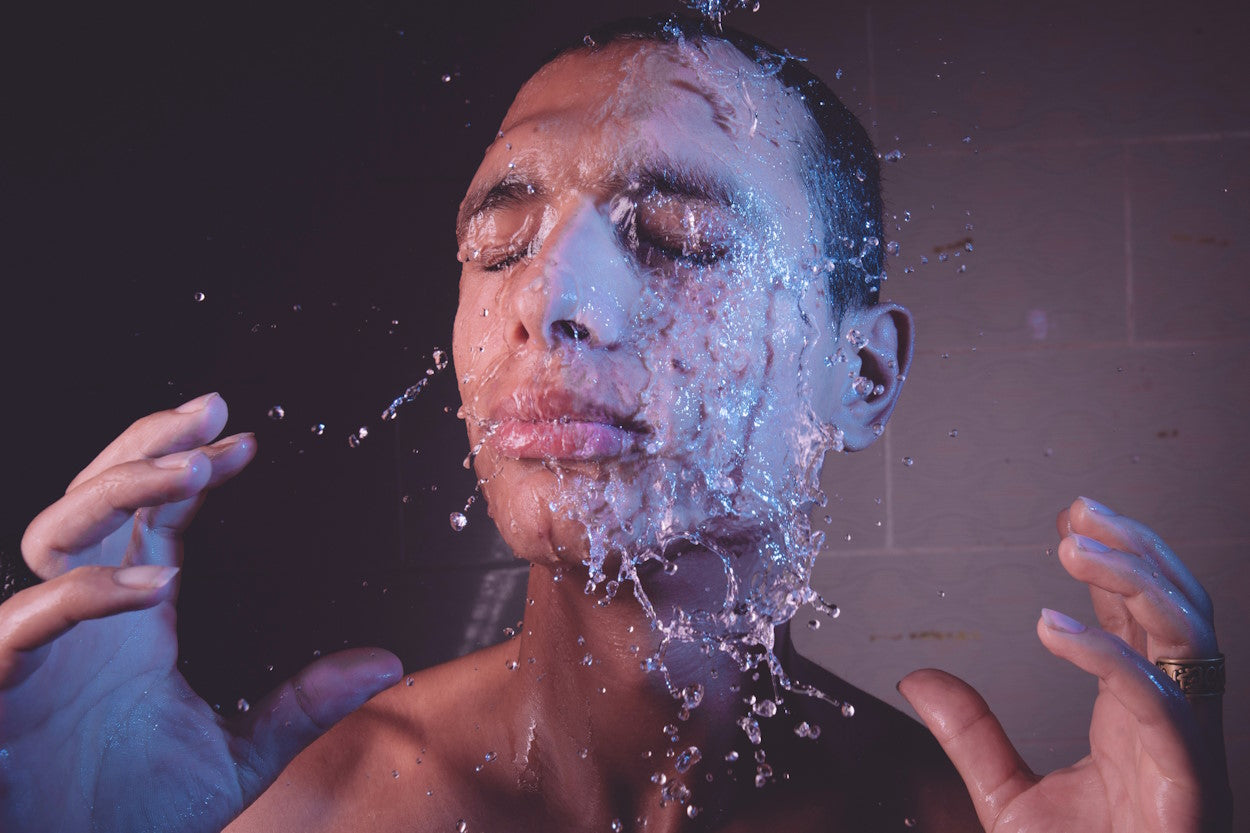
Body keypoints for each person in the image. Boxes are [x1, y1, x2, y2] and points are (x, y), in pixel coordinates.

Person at [1, 14, 1230, 832]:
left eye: (680, 235)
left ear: (856, 371)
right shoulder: (321, 806)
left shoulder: (955, 813)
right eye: (499, 238)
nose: (548, 298)